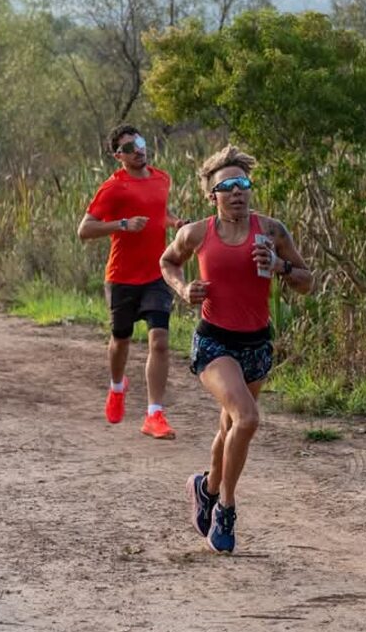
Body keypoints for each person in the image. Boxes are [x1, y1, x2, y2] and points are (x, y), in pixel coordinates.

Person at [160, 145, 313, 554]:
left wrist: (281, 268)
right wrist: (183, 289)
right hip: (214, 341)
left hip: (257, 344)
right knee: (246, 419)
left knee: (229, 428)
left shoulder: (272, 231)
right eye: (226, 186)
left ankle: (206, 487)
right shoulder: (196, 233)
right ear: (212, 195)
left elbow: (306, 279)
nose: (237, 191)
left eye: (242, 183)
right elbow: (168, 262)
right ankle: (226, 508)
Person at [77, 124, 187, 440]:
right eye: (128, 148)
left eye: (139, 142)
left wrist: (176, 223)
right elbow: (84, 230)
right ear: (118, 156)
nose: (137, 149)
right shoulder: (113, 187)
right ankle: (116, 386)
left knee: (160, 340)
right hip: (122, 277)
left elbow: (159, 213)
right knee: (120, 341)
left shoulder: (162, 178)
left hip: (157, 273)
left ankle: (155, 414)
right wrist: (122, 224)